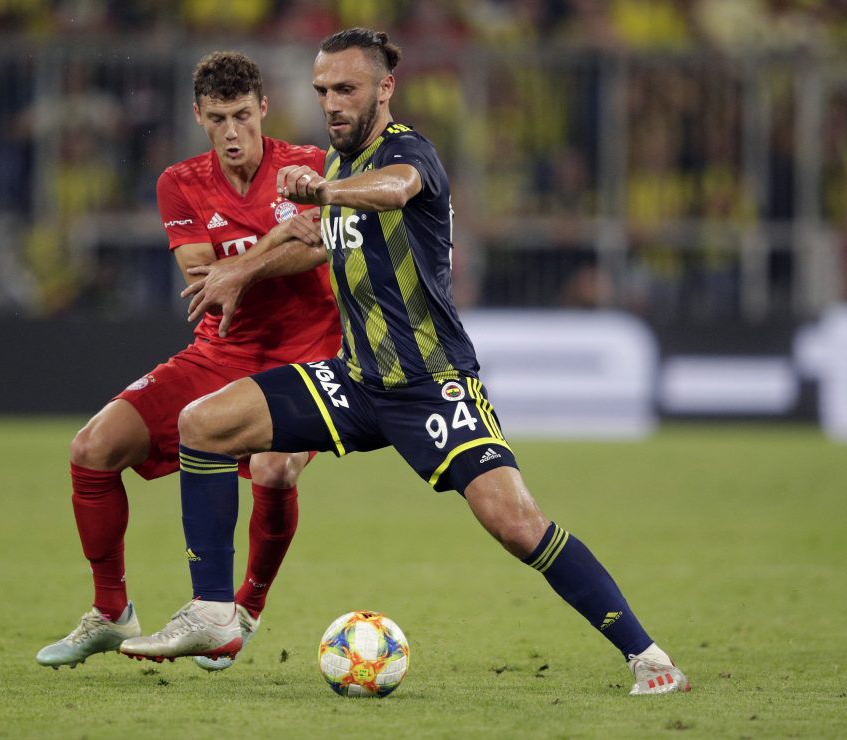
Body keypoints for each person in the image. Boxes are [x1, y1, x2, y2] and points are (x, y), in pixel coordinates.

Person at [118, 28, 691, 697]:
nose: (332, 102)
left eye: (347, 89)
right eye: (323, 90)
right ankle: (214, 613)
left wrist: (322, 196)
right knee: (202, 424)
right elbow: (300, 234)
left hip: (431, 386)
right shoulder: (332, 168)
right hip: (357, 380)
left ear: (384, 88)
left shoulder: (406, 151)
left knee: (517, 525)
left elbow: (393, 190)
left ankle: (648, 658)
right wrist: (242, 269)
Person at [35, 51, 341, 670]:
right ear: (197, 116)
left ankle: (242, 609)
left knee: (275, 470)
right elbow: (205, 281)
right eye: (218, 119)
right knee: (91, 449)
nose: (232, 133)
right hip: (220, 351)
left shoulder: (310, 166)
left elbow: (321, 248)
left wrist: (252, 259)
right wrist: (280, 240)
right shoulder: (179, 182)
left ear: (263, 109)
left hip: (308, 354)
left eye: (242, 117)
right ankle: (110, 612)